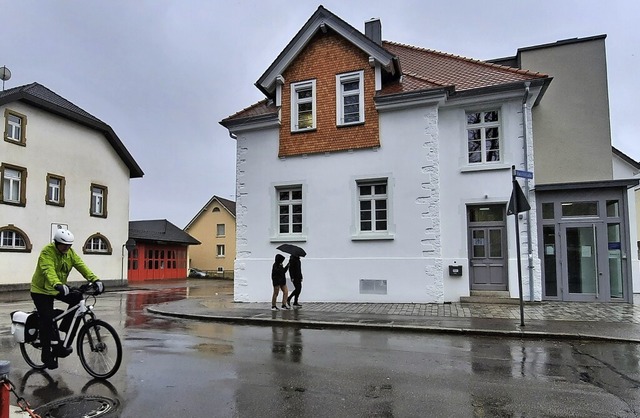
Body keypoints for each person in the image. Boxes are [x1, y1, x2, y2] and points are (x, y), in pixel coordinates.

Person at [30, 228, 104, 369]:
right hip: (42, 290)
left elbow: (81, 265)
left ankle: (63, 333)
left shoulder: (69, 253)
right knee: (46, 318)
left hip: (58, 287)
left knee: (77, 298)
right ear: (56, 243)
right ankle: (46, 354)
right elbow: (48, 270)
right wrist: (57, 283)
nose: (67, 248)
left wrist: (95, 279)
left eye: (69, 245)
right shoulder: (47, 252)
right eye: (64, 245)